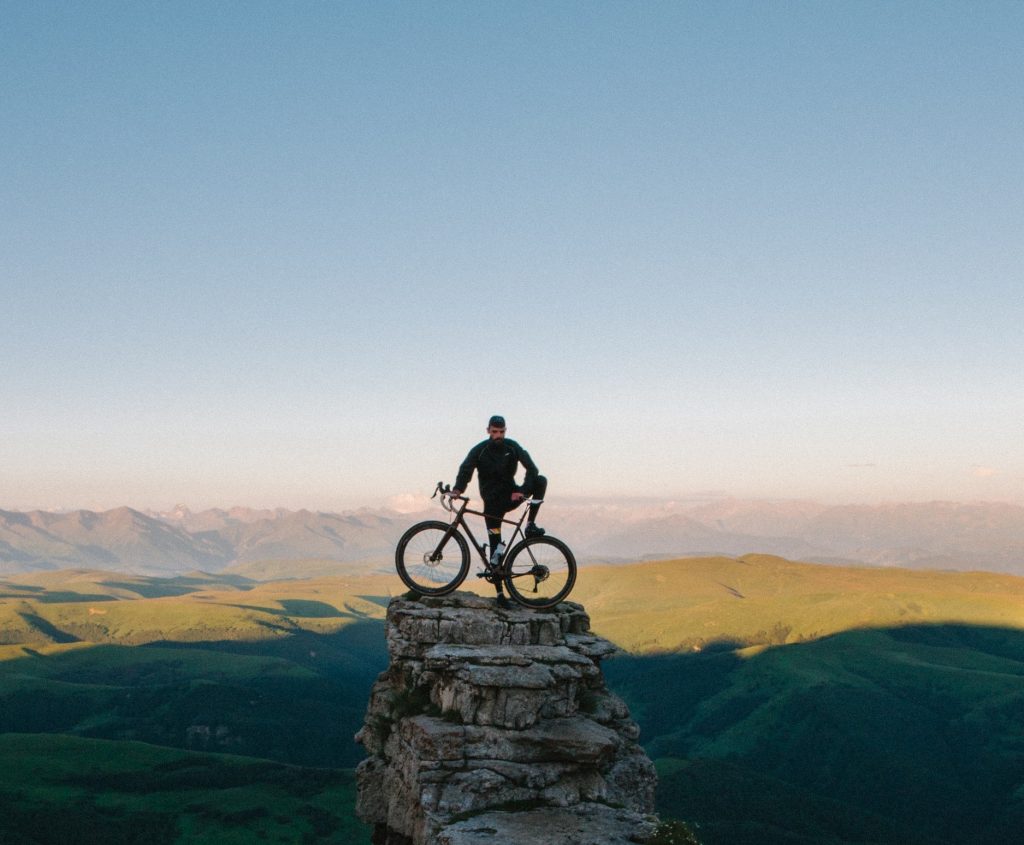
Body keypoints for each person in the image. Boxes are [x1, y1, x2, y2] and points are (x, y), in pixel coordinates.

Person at [451, 415, 547, 601]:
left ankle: (530, 526)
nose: (498, 436)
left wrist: (522, 490)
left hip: (511, 497)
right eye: (495, 432)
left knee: (541, 481)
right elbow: (466, 469)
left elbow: (532, 469)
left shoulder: (512, 446)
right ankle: (500, 592)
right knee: (496, 548)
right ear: (488, 431)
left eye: (501, 432)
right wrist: (457, 489)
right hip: (492, 505)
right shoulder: (480, 450)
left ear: (505, 431)